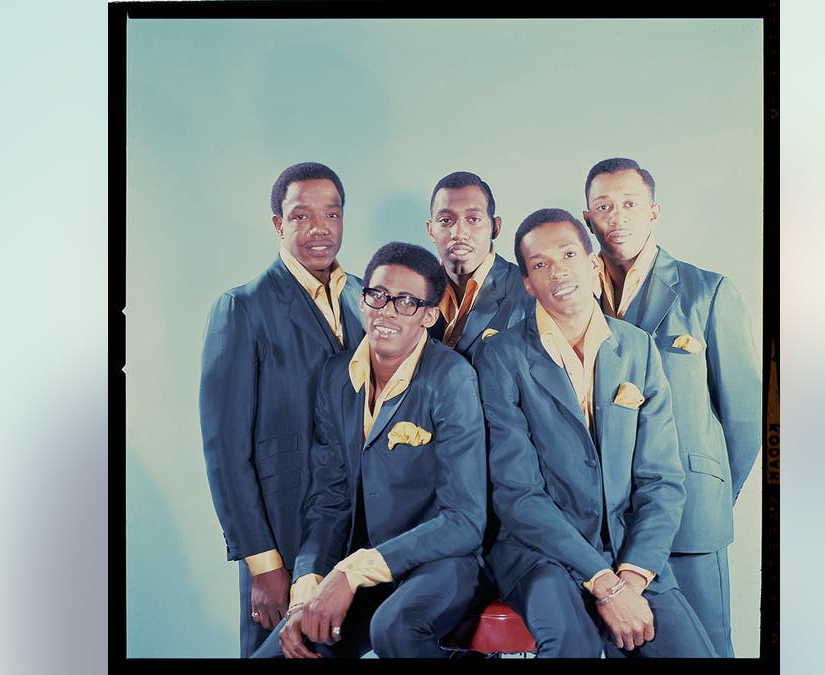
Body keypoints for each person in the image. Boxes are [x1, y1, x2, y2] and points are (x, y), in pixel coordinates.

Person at [473, 208, 716, 658]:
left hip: (630, 550)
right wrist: (603, 583)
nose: (558, 271)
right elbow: (517, 494)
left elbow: (661, 480)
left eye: (568, 254)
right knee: (573, 646)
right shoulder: (501, 357)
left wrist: (635, 574)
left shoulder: (637, 348)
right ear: (528, 282)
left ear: (592, 263)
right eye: (540, 264)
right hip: (540, 553)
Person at [252, 242, 489, 659]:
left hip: (441, 563)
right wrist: (305, 592)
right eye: (377, 295)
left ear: (430, 316)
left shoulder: (453, 378)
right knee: (283, 651)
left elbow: (464, 521)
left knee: (394, 630)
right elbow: (329, 501)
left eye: (406, 302)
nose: (387, 311)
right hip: (362, 572)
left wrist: (350, 572)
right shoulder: (335, 377)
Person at [582, 157, 762, 657]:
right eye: (604, 206)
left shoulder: (708, 291)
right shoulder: (573, 299)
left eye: (630, 204)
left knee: (706, 648)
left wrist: (709, 486)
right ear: (587, 217)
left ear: (654, 212)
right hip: (607, 526)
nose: (616, 216)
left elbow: (745, 418)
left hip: (690, 519)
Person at [198, 161, 366, 657]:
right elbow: (226, 451)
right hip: (284, 533)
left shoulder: (366, 296)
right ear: (279, 224)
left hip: (358, 528)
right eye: (302, 216)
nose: (320, 228)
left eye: (332, 215)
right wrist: (262, 563)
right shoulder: (243, 308)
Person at [424, 171, 534, 360]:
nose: (459, 232)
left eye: (473, 219)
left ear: (496, 227)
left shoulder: (530, 296)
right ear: (431, 230)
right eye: (445, 220)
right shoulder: (413, 294)